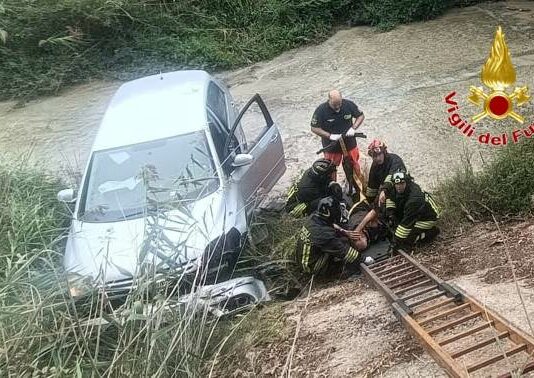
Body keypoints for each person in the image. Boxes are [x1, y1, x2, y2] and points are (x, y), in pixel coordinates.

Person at [295, 196, 373, 276]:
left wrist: (345, 232)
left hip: (305, 258)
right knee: (350, 265)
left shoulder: (314, 217)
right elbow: (343, 251)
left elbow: (331, 225)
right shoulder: (324, 234)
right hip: (311, 266)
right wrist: (363, 259)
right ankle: (338, 271)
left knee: (339, 239)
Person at [310, 90, 365, 182]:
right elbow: (314, 128)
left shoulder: (348, 104)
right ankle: (332, 187)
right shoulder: (321, 110)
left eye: (339, 104)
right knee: (330, 168)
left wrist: (353, 128)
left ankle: (356, 184)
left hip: (349, 142)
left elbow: (360, 116)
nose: (337, 107)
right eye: (334, 105)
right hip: (331, 145)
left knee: (353, 164)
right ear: (329, 100)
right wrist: (330, 136)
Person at [384, 169, 441, 251]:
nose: (399, 186)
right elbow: (390, 198)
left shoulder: (414, 198)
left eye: (402, 183)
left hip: (428, 218)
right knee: (397, 226)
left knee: (407, 239)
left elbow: (406, 225)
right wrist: (391, 214)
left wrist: (395, 242)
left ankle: (431, 233)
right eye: (397, 184)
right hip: (413, 213)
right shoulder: (395, 188)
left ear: (407, 182)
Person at [365, 139, 406, 205]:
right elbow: (372, 184)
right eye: (375, 156)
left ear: (384, 152)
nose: (378, 158)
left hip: (401, 189)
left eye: (379, 154)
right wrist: (369, 201)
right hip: (386, 191)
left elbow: (393, 176)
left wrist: (384, 191)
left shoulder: (395, 160)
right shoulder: (375, 165)